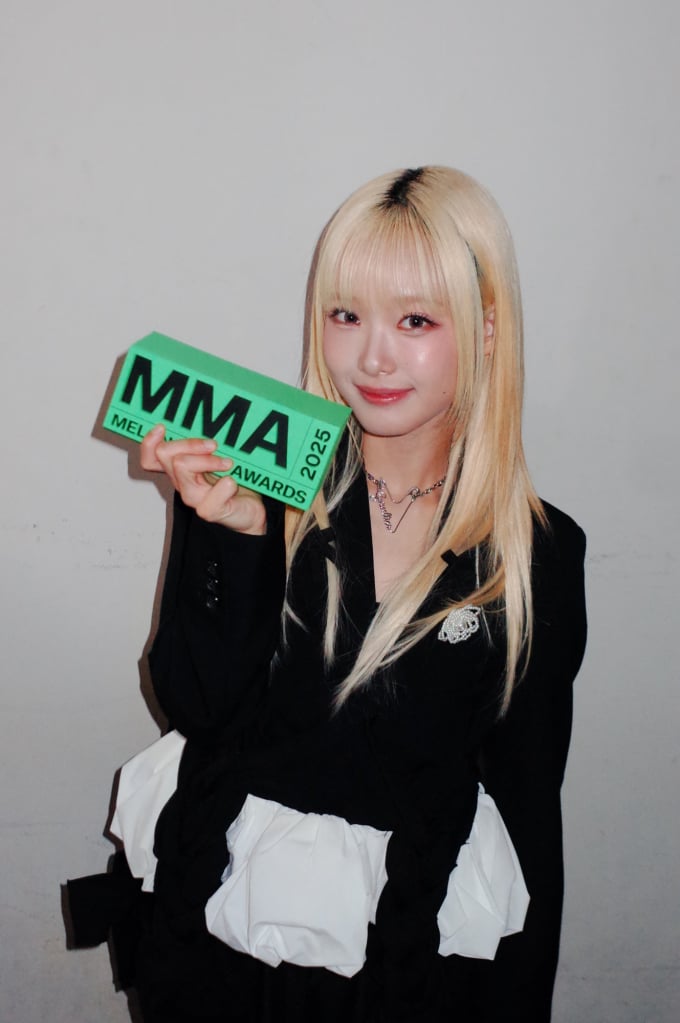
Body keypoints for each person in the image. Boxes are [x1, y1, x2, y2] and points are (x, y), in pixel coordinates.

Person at [67, 166, 586, 1022]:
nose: (371, 356)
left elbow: (530, 807)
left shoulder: (539, 551)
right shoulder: (257, 482)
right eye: (346, 315)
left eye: (415, 320)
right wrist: (236, 535)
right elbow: (196, 705)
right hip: (223, 940)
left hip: (412, 960)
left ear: (487, 327)